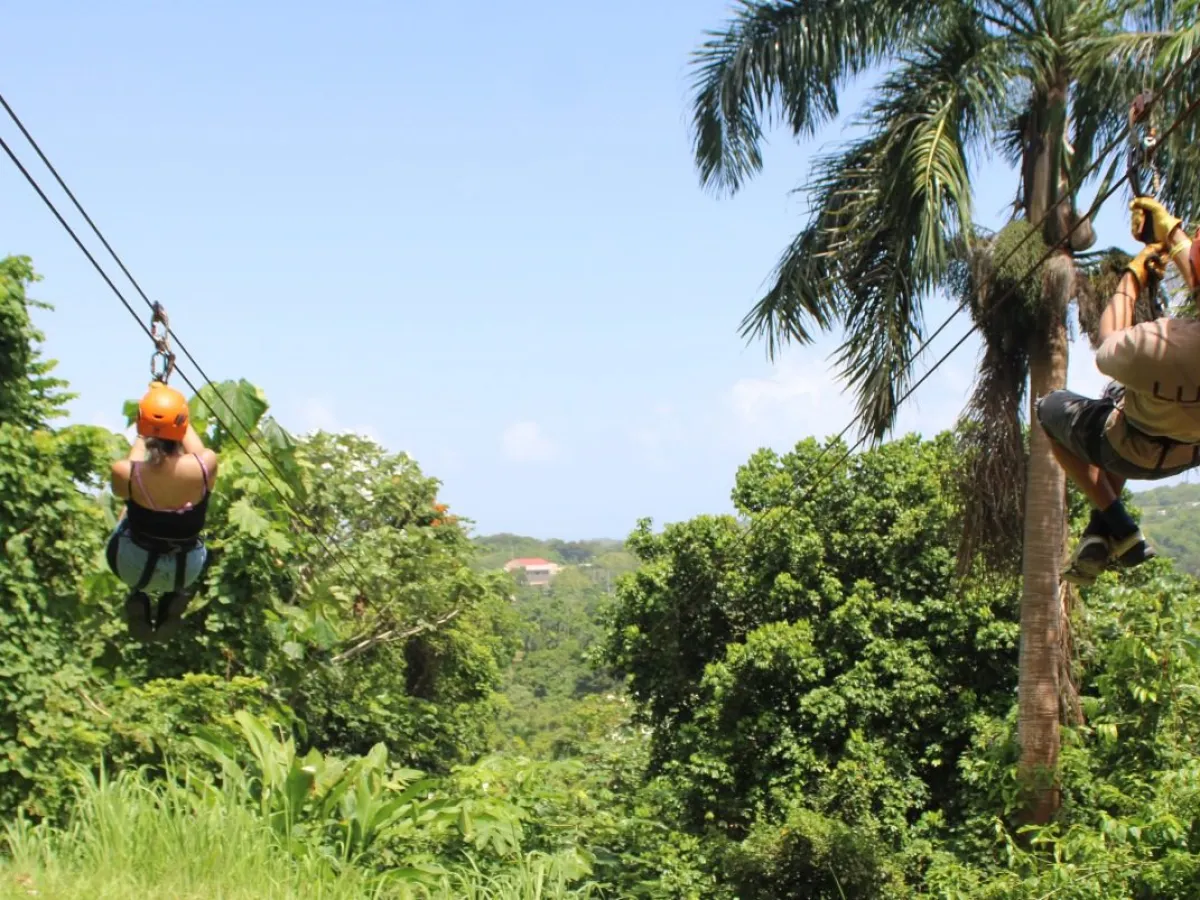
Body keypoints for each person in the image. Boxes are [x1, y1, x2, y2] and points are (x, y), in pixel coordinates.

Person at [1035, 197, 1200, 586]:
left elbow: (1109, 339)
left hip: (1124, 448)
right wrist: (1173, 238)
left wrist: (1135, 274)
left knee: (1049, 410)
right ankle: (1098, 530)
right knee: (1115, 395)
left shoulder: (1161, 343)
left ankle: (1117, 522)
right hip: (1185, 455)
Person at [107, 382, 218, 640]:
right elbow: (197, 449)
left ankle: (138, 592)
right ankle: (174, 594)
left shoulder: (126, 472)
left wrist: (146, 428)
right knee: (185, 528)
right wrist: (174, 410)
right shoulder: (205, 466)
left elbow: (132, 467)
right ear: (181, 425)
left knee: (128, 510)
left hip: (133, 566)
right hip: (185, 569)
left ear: (140, 425)